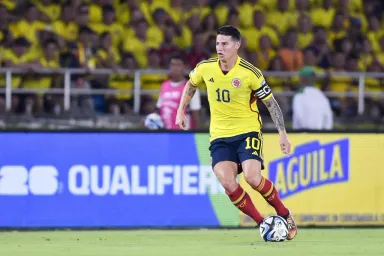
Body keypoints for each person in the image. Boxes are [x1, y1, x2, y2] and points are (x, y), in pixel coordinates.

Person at [175, 25, 297, 240]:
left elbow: (271, 104)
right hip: (220, 136)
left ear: (237, 45)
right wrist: (181, 110)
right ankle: (263, 224)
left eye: (225, 44)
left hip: (247, 132)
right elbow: (191, 84)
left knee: (252, 178)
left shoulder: (250, 73)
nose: (220, 48)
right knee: (227, 182)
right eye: (217, 44)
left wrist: (282, 133)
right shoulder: (206, 68)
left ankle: (284, 214)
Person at [157, 54, 201, 130]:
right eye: (173, 65)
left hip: (182, 133)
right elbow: (159, 108)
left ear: (184, 67)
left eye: (178, 65)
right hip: (165, 132)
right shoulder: (164, 86)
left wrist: (196, 134)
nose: (175, 68)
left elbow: (195, 115)